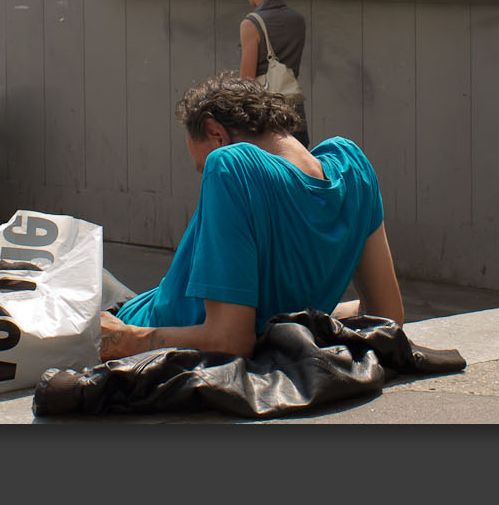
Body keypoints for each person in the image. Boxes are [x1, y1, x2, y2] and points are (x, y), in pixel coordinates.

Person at [98, 73, 405, 359]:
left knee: (69, 272)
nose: (206, 181)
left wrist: (126, 338)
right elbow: (387, 319)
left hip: (131, 325)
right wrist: (308, 320)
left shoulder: (232, 166)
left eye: (201, 169)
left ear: (214, 133)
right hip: (143, 307)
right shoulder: (353, 169)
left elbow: (229, 340)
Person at [237, 0, 307, 146]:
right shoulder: (298, 20)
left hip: (265, 123)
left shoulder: (251, 23)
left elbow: (247, 83)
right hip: (295, 118)